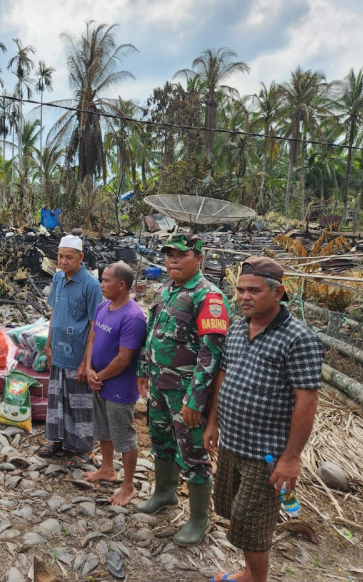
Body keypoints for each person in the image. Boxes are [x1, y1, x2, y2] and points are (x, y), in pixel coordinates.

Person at [204, 256, 322, 582]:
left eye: (253, 291)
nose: (244, 297)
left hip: (267, 452)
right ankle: (249, 572)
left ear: (278, 292)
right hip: (232, 442)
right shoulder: (239, 326)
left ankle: (256, 579)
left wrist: (291, 458)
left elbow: (307, 401)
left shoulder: (299, 339)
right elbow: (224, 376)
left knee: (251, 522)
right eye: (240, 290)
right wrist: (213, 423)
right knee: (232, 512)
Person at [135, 233, 229, 547]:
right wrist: (143, 369)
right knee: (160, 440)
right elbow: (153, 333)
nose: (172, 260)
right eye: (169, 254)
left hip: (185, 393)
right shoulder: (166, 289)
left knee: (193, 453)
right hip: (161, 387)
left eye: (181, 255)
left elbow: (211, 352)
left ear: (199, 259)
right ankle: (165, 493)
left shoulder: (208, 296)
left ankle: (200, 518)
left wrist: (196, 398)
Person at [82, 262, 147, 505]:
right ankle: (107, 469)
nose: (101, 285)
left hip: (118, 386)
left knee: (124, 436)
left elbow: (124, 358)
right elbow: (93, 337)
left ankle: (128, 486)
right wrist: (89, 368)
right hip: (98, 380)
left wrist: (99, 376)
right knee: (103, 429)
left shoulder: (133, 316)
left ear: (121, 285)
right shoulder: (103, 305)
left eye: (106, 280)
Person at [38, 234, 103, 467]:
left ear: (80, 257)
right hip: (58, 350)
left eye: (68, 257)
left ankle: (84, 448)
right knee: (56, 399)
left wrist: (87, 362)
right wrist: (48, 344)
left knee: (79, 402)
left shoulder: (91, 285)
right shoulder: (58, 278)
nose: (63, 261)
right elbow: (54, 312)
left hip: (78, 353)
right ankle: (56, 439)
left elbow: (95, 326)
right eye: (60, 257)